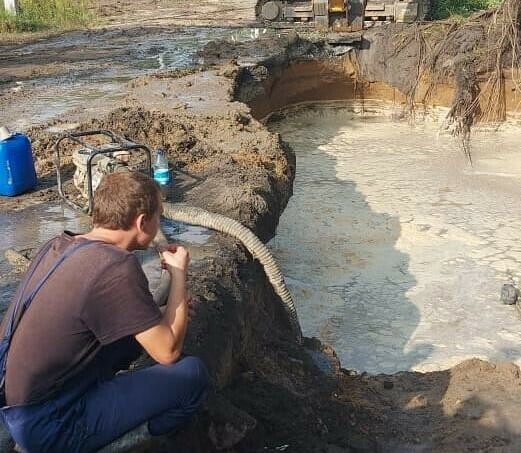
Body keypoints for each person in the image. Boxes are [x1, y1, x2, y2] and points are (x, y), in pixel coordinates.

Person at [0, 171, 209, 452]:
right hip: (53, 423)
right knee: (192, 375)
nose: (159, 224)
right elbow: (167, 352)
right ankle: (133, 442)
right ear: (141, 221)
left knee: (132, 338)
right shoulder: (116, 267)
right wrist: (179, 275)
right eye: (158, 216)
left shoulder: (59, 245)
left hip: (17, 405)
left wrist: (156, 314)